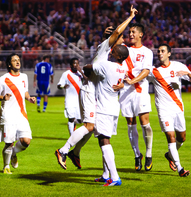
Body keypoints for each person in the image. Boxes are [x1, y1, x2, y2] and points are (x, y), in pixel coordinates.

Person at [55, 6, 137, 171]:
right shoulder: (107, 47)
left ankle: (76, 153)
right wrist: (130, 17)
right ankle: (63, 151)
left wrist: (122, 83)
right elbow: (113, 36)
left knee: (95, 129)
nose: (123, 38)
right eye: (120, 36)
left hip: (97, 92)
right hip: (89, 91)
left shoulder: (107, 52)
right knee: (90, 127)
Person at [84, 45, 129, 186]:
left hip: (104, 108)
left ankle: (115, 178)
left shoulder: (107, 66)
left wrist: (84, 67)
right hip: (113, 107)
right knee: (102, 140)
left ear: (119, 56)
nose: (111, 51)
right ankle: (105, 174)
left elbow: (89, 67)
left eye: (114, 51)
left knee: (104, 141)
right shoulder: (123, 69)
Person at [149, 43, 191, 177]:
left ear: (169, 54)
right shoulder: (154, 71)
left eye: (162, 51)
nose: (159, 53)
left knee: (182, 138)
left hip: (178, 108)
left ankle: (169, 155)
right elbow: (141, 77)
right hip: (164, 109)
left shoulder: (178, 66)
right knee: (171, 137)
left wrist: (187, 73)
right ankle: (180, 169)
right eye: (158, 51)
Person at [0, 53, 36, 174]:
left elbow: (25, 92)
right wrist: (3, 97)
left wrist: (29, 98)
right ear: (9, 64)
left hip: (21, 114)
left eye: (18, 60)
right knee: (9, 143)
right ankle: (6, 167)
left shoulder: (24, 76)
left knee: (26, 141)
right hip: (8, 115)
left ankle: (14, 154)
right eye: (14, 60)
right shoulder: (3, 79)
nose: (17, 62)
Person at [121, 22, 154, 171]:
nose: (131, 34)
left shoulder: (147, 52)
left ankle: (148, 154)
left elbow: (146, 71)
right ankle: (137, 155)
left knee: (144, 123)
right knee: (130, 123)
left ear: (141, 34)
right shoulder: (124, 51)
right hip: (125, 92)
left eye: (133, 32)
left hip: (140, 90)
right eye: (129, 32)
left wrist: (133, 81)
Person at [57, 58, 83, 136]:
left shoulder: (80, 74)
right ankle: (72, 136)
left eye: (77, 63)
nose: (76, 65)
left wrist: (81, 71)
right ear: (71, 65)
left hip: (79, 100)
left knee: (79, 120)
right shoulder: (66, 74)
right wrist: (63, 86)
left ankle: (74, 129)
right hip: (70, 100)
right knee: (71, 118)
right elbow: (59, 85)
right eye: (75, 63)